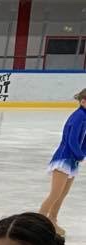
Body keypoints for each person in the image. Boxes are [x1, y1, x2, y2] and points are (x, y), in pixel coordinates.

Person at [39, 88, 86, 237]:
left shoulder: (84, 116)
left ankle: (52, 219)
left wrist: (82, 153)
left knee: (63, 193)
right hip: (64, 158)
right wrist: (79, 154)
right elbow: (71, 139)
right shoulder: (79, 116)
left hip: (72, 160)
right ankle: (38, 224)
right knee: (55, 194)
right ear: (83, 102)